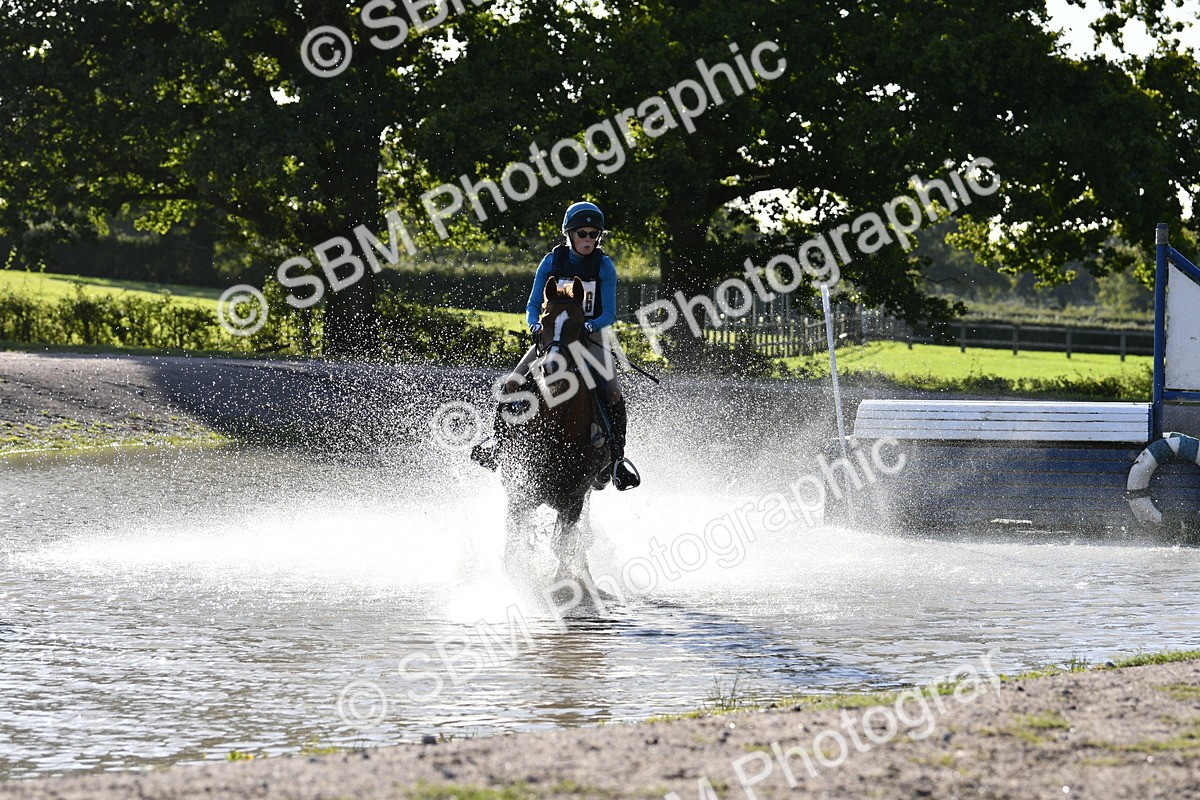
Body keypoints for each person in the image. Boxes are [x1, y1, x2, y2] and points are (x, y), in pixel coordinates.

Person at [471, 201, 640, 491]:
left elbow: (609, 313)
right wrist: (534, 325)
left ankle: (617, 461)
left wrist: (588, 325)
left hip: (590, 337)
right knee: (512, 384)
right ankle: (497, 445)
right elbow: (533, 304)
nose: (588, 240)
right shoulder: (551, 262)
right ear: (569, 234)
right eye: (582, 233)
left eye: (593, 234)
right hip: (552, 337)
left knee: (612, 390)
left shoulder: (604, 265)